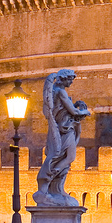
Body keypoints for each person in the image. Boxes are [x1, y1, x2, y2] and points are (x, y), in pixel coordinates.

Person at [36, 70, 91, 206]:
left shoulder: (54, 90)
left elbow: (66, 109)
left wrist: (76, 106)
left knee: (60, 156)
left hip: (62, 128)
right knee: (67, 156)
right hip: (65, 129)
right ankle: (48, 180)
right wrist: (85, 111)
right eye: (70, 79)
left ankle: (55, 188)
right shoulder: (60, 91)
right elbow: (73, 112)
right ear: (63, 79)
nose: (71, 82)